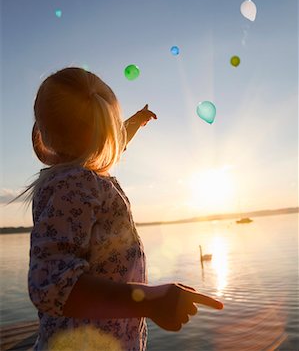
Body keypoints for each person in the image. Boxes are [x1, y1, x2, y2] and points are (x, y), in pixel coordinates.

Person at [10, 67, 223, 351]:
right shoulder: (73, 187)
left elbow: (113, 145)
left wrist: (135, 122)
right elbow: (53, 286)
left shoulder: (79, 180)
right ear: (105, 131)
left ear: (44, 132)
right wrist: (151, 300)